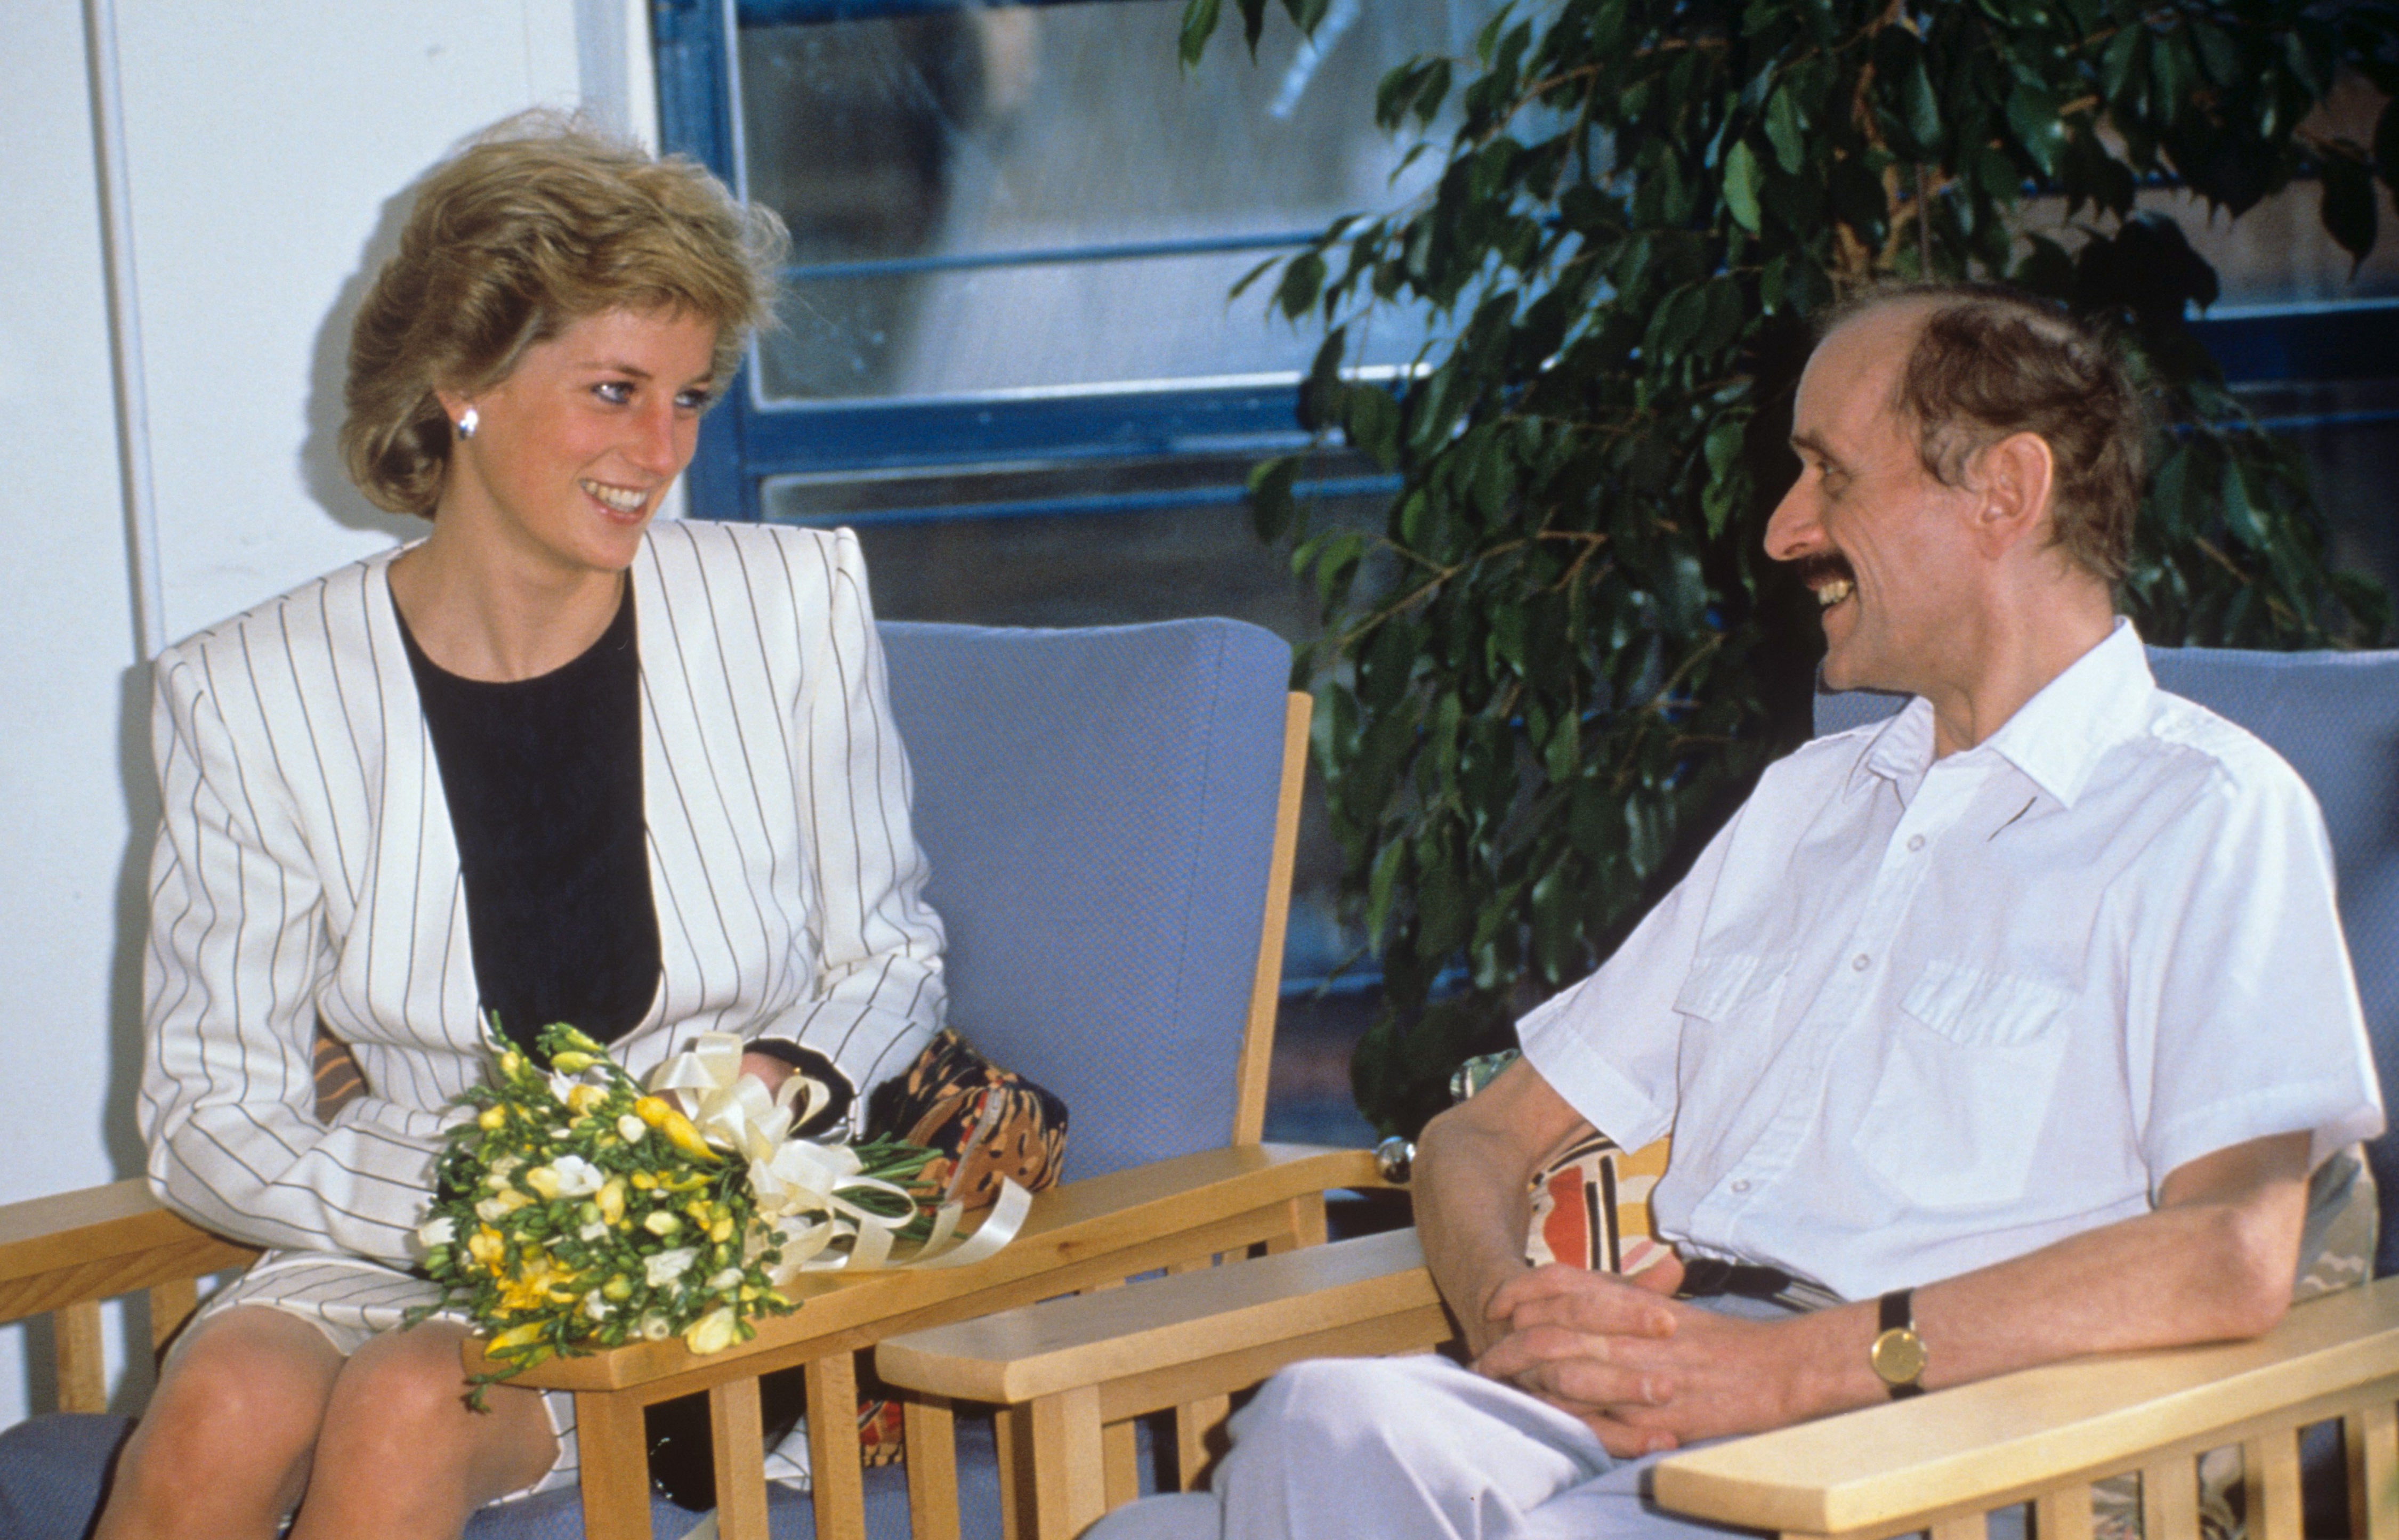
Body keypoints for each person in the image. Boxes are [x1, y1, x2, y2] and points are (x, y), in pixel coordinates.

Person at [1092, 283, 2386, 1539]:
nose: (1779, 529)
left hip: (1933, 1450)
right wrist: (1517, 1319)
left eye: (1831, 474)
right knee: (1322, 1420)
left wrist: (1786, 1373)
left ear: (2003, 491)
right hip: (1678, 1394)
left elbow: (2231, 1250)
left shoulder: (2204, 814)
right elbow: (1477, 1137)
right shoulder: (1808, 806)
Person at [101, 117, 948, 1538]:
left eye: (686, 398)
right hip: (402, 1226)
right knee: (222, 1397)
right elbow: (205, 1114)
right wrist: (494, 1202)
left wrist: (773, 1084)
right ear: (462, 383)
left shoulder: (788, 604)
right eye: (615, 390)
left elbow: (889, 955)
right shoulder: (243, 694)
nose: (658, 451)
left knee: (407, 1403)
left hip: (716, 1248)